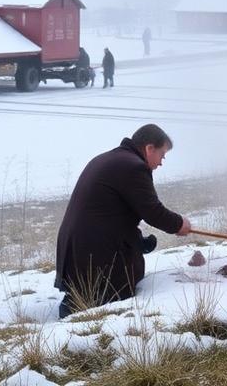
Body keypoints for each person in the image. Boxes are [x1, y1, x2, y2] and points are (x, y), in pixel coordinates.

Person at [54, 124, 191, 317]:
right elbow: (153, 211)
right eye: (162, 155)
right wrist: (179, 224)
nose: (161, 162)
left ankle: (79, 297)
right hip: (94, 254)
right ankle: (74, 307)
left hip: (77, 250)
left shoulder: (110, 159)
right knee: (115, 293)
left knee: (129, 268)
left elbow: (112, 214)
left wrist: (137, 241)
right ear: (149, 148)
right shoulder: (133, 167)